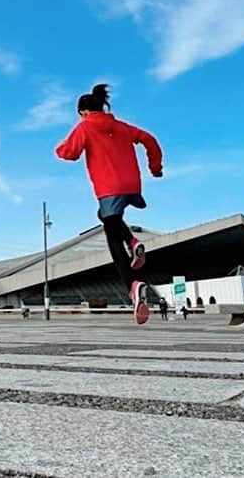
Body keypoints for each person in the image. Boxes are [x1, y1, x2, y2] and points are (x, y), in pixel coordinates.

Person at [55, 83, 163, 326]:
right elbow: (150, 140)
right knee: (108, 219)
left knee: (112, 236)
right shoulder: (121, 126)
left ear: (83, 112)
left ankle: (132, 283)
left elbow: (70, 153)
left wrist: (59, 148)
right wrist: (155, 168)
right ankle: (132, 243)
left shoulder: (85, 127)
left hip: (109, 187)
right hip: (132, 185)